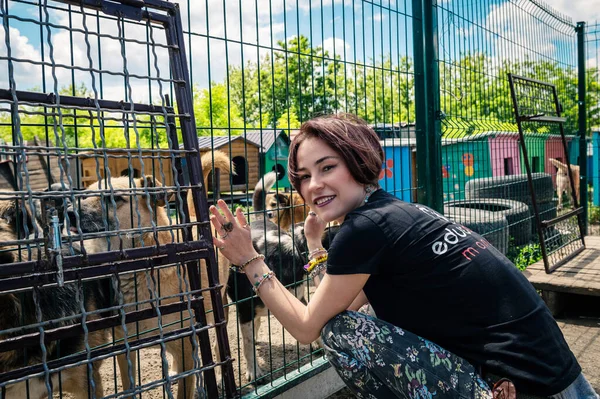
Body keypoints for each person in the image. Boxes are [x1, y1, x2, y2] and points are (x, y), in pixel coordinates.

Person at [209, 114, 598, 399]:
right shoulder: (396, 212)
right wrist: (315, 244)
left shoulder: (364, 228)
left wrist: (248, 259)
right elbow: (341, 298)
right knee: (359, 315)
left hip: (528, 387)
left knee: (340, 332)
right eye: (304, 176)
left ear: (358, 161)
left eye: (327, 167)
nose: (314, 185)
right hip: (559, 378)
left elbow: (310, 327)